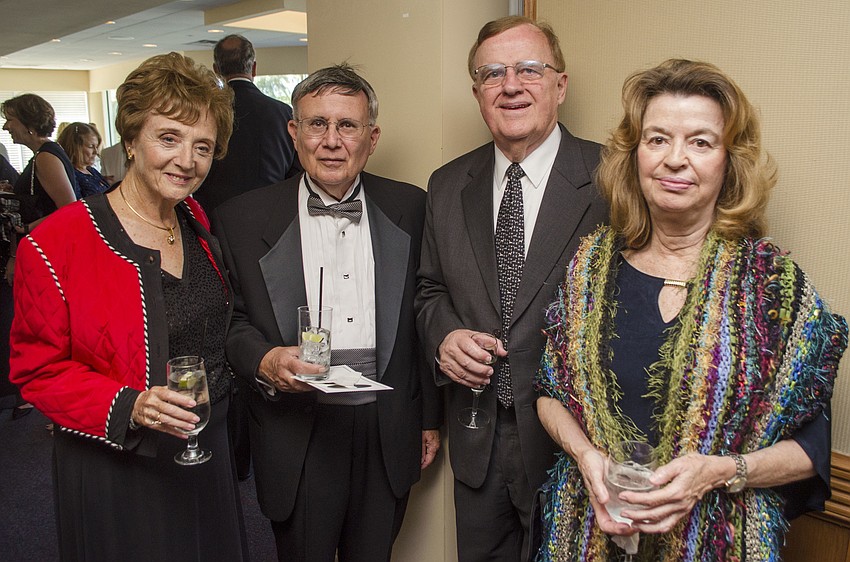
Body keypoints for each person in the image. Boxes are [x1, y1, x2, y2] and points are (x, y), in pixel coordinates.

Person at [534, 58, 848, 561]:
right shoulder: (591, 269)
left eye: (700, 142)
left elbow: (811, 450)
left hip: (720, 543)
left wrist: (719, 472)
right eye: (658, 139)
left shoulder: (772, 286)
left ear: (729, 161)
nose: (675, 160)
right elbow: (550, 392)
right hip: (586, 536)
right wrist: (586, 456)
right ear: (635, 155)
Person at [9, 52, 248, 560]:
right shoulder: (56, 244)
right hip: (119, 466)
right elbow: (38, 371)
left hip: (207, 445)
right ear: (132, 139)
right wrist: (131, 405)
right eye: (169, 138)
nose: (186, 160)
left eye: (202, 146)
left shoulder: (196, 220)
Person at [212, 63, 441, 562]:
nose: (332, 141)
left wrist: (429, 417)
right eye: (317, 124)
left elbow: (425, 313)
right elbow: (229, 322)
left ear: (372, 138)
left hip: (386, 428)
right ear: (294, 133)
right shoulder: (241, 218)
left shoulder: (413, 207)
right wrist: (265, 360)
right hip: (297, 430)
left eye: (347, 125)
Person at [415, 16, 608, 561]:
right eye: (492, 73)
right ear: (477, 92)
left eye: (529, 69)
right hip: (477, 436)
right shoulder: (447, 184)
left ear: (560, 85)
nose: (511, 86)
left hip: (575, 444)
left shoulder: (612, 178)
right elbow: (429, 290)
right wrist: (445, 336)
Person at [2, 93, 78, 419]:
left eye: (10, 119)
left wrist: (27, 228)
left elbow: (70, 208)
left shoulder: (46, 157)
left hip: (52, 255)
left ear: (28, 123)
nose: (6, 126)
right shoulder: (43, 155)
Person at [195, 33, 298, 213]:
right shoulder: (283, 113)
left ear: (216, 70)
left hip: (213, 215)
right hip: (270, 214)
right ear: (254, 68)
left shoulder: (206, 112)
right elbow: (296, 173)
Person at [57, 122, 112, 197]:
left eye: (96, 147)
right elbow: (75, 202)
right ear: (75, 147)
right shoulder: (70, 174)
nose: (96, 152)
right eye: (91, 146)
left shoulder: (91, 170)